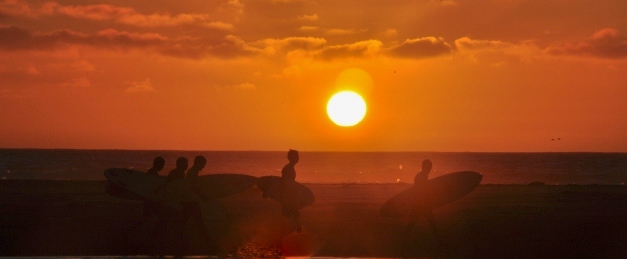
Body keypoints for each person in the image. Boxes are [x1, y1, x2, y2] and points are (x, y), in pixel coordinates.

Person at [404, 159, 441, 254]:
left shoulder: (422, 176)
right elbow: (420, 191)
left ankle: (404, 243)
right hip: (420, 205)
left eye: (431, 167)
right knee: (426, 224)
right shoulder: (421, 176)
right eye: (429, 167)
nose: (430, 169)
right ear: (424, 167)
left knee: (414, 224)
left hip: (420, 204)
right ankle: (439, 243)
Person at [183, 156, 213, 247]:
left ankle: (178, 238)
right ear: (198, 163)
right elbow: (193, 187)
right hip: (190, 202)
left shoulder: (192, 171)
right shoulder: (193, 172)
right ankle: (208, 242)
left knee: (186, 221)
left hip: (190, 201)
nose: (203, 167)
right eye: (203, 164)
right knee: (199, 222)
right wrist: (202, 196)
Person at [280, 149, 302, 232]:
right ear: (292, 157)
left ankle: (293, 232)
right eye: (297, 156)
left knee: (291, 216)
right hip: (287, 197)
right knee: (291, 216)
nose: (298, 158)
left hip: (288, 196)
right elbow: (285, 183)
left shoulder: (289, 167)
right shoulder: (288, 168)